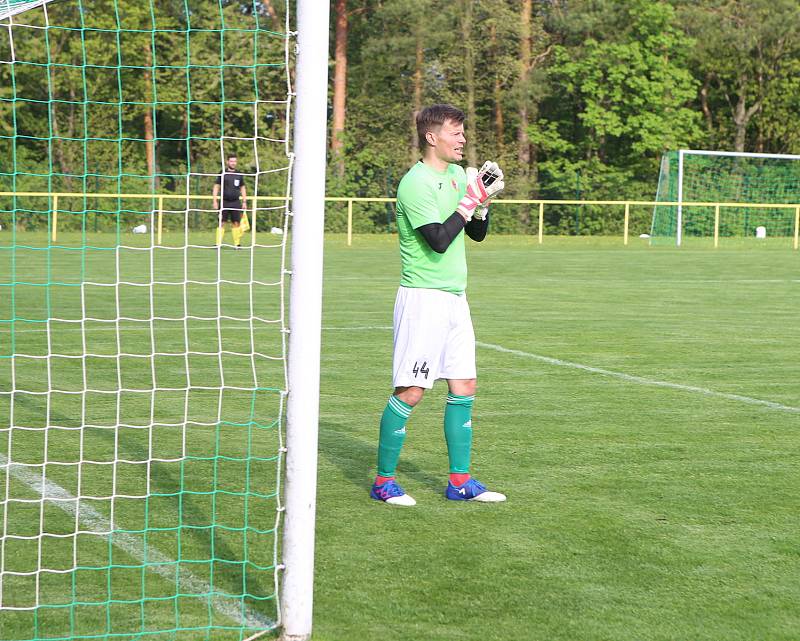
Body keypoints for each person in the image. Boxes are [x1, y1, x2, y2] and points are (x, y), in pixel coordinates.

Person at [370, 104, 507, 506]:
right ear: (432, 138)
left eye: (463, 132)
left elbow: (475, 233)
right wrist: (469, 201)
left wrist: (481, 202)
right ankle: (383, 482)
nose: (463, 138)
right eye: (455, 132)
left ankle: (460, 482)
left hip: (454, 298)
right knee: (412, 390)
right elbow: (439, 239)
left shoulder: (456, 175)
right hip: (422, 299)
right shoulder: (415, 184)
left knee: (464, 384)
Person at [213, 154, 247, 249]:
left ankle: (237, 244)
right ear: (227, 162)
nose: (233, 163)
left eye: (235, 161)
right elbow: (216, 186)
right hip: (224, 202)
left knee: (236, 223)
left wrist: (244, 201)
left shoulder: (239, 174)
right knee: (221, 222)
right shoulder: (223, 173)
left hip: (235, 202)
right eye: (231, 161)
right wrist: (215, 200)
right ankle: (218, 244)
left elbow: (242, 187)